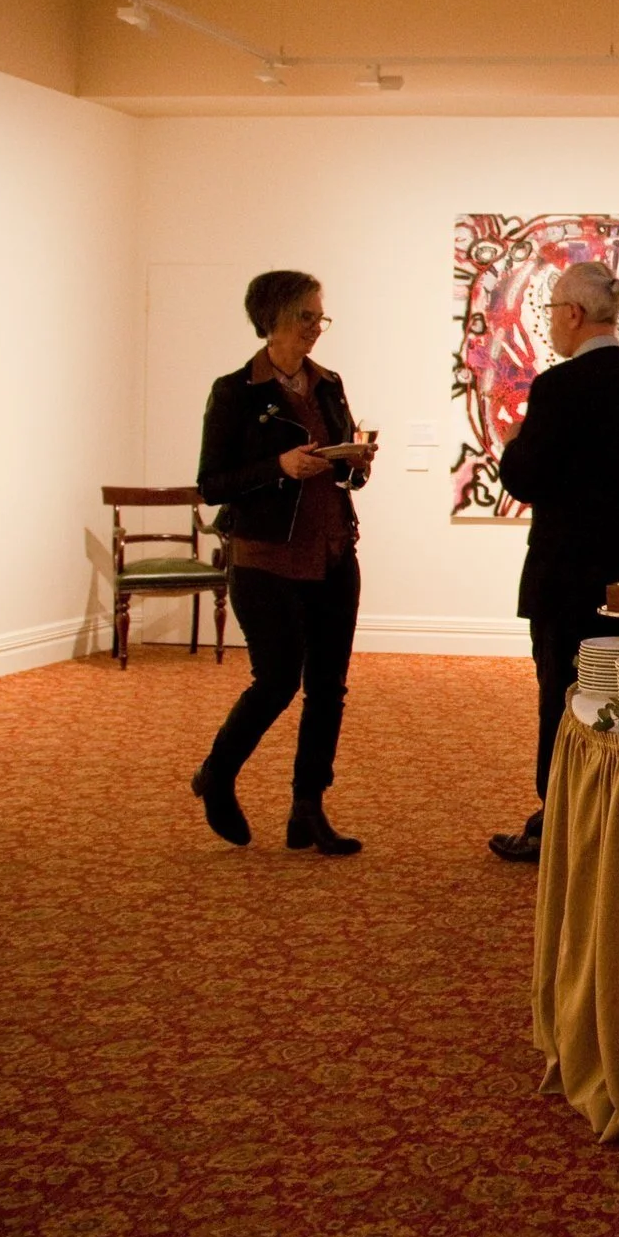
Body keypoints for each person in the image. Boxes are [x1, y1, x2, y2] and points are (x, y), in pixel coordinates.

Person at [487, 262, 619, 863]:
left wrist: (512, 448)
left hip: (566, 571)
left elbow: (525, 479)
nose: (551, 322)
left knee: (563, 695)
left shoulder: (557, 387)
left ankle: (557, 821)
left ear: (574, 314)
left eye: (552, 310)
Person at [192, 271, 376, 856]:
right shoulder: (235, 392)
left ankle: (308, 808)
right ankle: (217, 773)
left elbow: (343, 472)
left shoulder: (329, 384)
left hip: (333, 552)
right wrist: (280, 466)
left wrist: (355, 463)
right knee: (275, 681)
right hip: (265, 558)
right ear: (271, 319)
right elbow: (211, 484)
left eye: (320, 317)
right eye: (305, 316)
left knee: (328, 688)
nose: (316, 327)